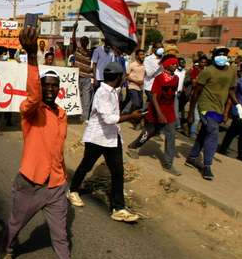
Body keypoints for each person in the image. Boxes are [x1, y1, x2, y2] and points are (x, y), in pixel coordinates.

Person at [0, 26, 88, 259]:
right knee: (15, 224)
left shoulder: (62, 115)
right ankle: (6, 250)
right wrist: (32, 57)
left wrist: (63, 182)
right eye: (45, 86)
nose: (49, 90)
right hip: (30, 183)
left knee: (61, 240)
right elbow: (34, 93)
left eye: (53, 86)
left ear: (59, 90)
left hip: (57, 186)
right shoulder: (30, 110)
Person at [67, 62, 144, 221]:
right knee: (86, 165)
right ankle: (73, 191)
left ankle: (119, 208)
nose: (124, 78)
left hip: (112, 138)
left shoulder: (113, 91)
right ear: (118, 77)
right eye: (122, 76)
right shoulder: (102, 93)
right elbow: (108, 118)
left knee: (117, 172)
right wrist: (131, 117)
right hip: (97, 137)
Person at [185, 46, 239, 180]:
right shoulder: (207, 72)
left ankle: (192, 157)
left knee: (205, 132)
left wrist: (237, 106)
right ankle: (207, 165)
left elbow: (231, 90)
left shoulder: (232, 71)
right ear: (213, 57)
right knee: (213, 131)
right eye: (219, 55)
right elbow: (196, 93)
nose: (222, 57)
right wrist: (191, 114)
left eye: (224, 55)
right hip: (205, 106)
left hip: (219, 107)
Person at [126, 55, 182, 176]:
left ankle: (168, 164)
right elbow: (154, 98)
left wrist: (172, 112)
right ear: (166, 65)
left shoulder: (176, 79)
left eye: (176, 64)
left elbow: (172, 97)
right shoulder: (159, 79)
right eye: (173, 64)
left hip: (169, 112)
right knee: (148, 133)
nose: (176, 66)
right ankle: (133, 146)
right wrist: (160, 114)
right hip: (156, 111)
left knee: (171, 137)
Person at [71, 23, 93, 123]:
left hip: (87, 78)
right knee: (73, 96)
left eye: (86, 41)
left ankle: (85, 118)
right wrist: (74, 30)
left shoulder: (90, 53)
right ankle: (72, 114)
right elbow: (73, 41)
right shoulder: (77, 49)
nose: (85, 42)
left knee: (86, 99)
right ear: (80, 42)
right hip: (77, 77)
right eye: (83, 40)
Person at [126, 49, 146, 120]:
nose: (143, 56)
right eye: (141, 54)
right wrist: (135, 81)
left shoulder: (144, 66)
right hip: (132, 86)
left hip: (140, 87)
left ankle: (133, 117)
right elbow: (126, 76)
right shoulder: (132, 65)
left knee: (140, 105)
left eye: (143, 54)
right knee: (136, 103)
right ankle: (130, 116)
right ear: (137, 56)